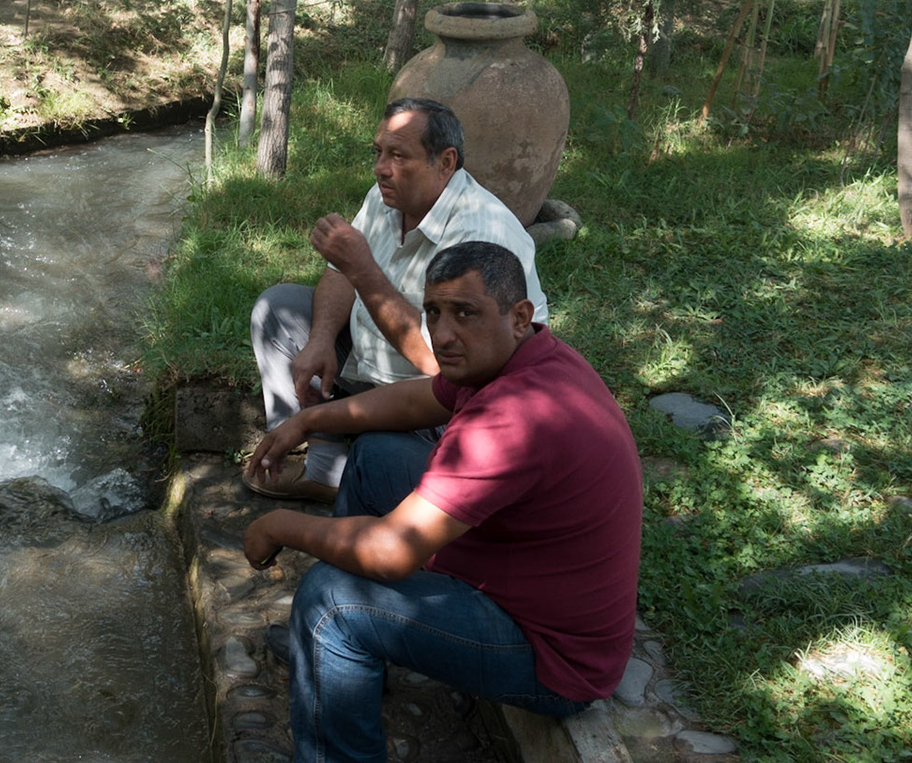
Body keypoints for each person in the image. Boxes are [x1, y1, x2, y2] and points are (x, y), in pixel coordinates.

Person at [241, 241, 642, 763]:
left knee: (329, 602)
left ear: (520, 316)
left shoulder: (510, 419)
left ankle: (337, 679)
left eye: (465, 313)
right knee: (377, 455)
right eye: (433, 311)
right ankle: (355, 665)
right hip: (516, 570)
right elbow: (419, 398)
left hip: (551, 656)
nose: (443, 334)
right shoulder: (526, 358)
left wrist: (278, 524)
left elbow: (391, 551)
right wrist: (309, 419)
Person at [246, 97, 547, 502]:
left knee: (381, 455)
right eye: (379, 153)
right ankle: (325, 471)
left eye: (398, 156)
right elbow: (340, 275)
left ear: (445, 162)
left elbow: (443, 363)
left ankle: (377, 468)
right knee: (277, 310)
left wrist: (363, 268)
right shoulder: (388, 196)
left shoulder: (480, 234)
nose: (380, 168)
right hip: (374, 366)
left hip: (442, 398)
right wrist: (319, 339)